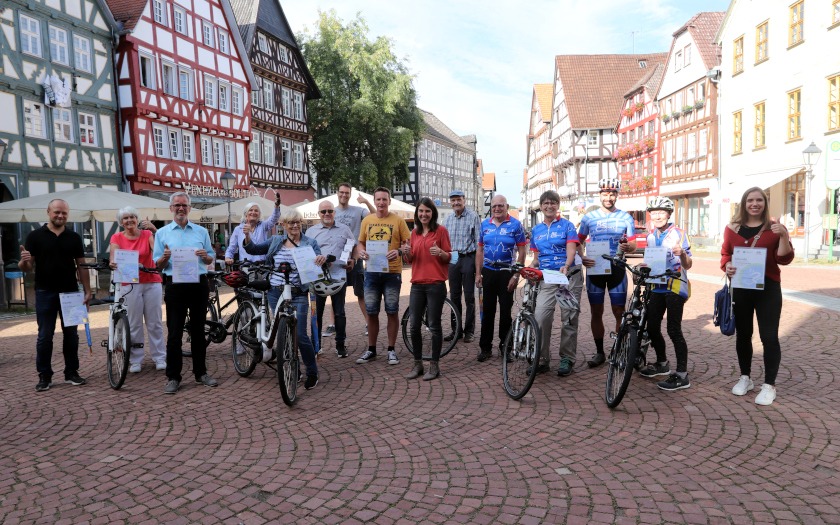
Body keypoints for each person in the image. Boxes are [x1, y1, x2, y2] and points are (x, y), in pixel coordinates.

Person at [721, 187, 793, 406]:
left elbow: (784, 258)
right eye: (750, 200)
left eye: (759, 200)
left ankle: (769, 385)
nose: (755, 204)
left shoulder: (774, 228)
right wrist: (728, 266)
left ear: (764, 203)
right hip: (742, 287)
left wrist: (783, 235)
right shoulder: (732, 228)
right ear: (744, 203)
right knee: (744, 334)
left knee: (769, 336)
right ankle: (745, 377)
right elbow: (725, 254)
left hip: (768, 288)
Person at [243, 209, 324, 390]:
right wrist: (247, 236)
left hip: (298, 292)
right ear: (283, 225)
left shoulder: (310, 242)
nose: (295, 226)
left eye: (297, 222)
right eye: (291, 223)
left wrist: (321, 259)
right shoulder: (276, 241)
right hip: (276, 291)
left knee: (301, 335)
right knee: (284, 332)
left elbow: (321, 262)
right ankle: (292, 368)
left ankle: (312, 372)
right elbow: (254, 249)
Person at [19, 199, 91, 392]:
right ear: (48, 212)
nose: (60, 216)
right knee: (44, 336)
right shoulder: (35, 236)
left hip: (70, 293)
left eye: (64, 213)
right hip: (45, 292)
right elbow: (27, 268)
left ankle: (71, 372)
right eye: (57, 212)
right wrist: (23, 261)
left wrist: (87, 290)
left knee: (72, 336)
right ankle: (44, 375)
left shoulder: (74, 237)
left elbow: (81, 265)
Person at [153, 192, 218, 394]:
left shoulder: (201, 232)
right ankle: (173, 377)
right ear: (171, 208)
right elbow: (158, 266)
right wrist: (164, 257)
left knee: (198, 331)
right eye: (177, 205)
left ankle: (201, 373)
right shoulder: (162, 233)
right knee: (174, 333)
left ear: (190, 208)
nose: (181, 208)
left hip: (198, 284)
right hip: (175, 285)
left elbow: (210, 260)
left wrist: (206, 257)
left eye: (184, 205)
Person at [637, 197, 693, 391]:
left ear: (669, 214)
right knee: (652, 327)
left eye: (661, 212)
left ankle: (682, 374)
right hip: (656, 286)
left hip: (675, 286)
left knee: (673, 329)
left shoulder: (678, 233)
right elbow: (651, 261)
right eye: (654, 213)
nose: (658, 216)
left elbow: (688, 265)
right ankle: (662, 363)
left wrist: (682, 254)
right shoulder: (651, 235)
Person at [579, 179, 636, 367]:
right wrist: (582, 258)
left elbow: (634, 243)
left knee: (619, 312)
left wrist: (629, 246)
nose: (608, 197)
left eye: (612, 194)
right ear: (600, 195)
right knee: (596, 311)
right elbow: (578, 241)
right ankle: (599, 352)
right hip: (595, 268)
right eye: (605, 194)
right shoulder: (589, 218)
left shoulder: (626, 217)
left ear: (617, 195)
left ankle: (619, 349)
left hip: (617, 268)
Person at [356, 187, 411, 365]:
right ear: (374, 201)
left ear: (389, 201)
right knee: (371, 313)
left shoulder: (398, 221)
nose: (381, 203)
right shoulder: (367, 220)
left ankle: (391, 349)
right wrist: (362, 252)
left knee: (392, 311)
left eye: (384, 200)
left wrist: (399, 252)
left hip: (392, 273)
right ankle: (371, 349)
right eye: (378, 199)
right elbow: (360, 243)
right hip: (371, 272)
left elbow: (407, 245)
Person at [530, 190, 582, 376]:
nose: (549, 206)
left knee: (568, 317)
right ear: (541, 206)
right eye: (545, 203)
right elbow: (536, 258)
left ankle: (567, 359)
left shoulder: (567, 226)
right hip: (548, 277)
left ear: (558, 205)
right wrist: (530, 267)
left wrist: (567, 265)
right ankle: (542, 359)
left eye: (553, 203)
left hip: (569, 276)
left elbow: (571, 248)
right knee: (541, 316)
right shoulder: (536, 230)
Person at [109, 206, 165, 373]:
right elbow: (114, 254)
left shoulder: (147, 234)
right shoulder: (117, 237)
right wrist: (113, 262)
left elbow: (157, 252)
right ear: (121, 222)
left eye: (132, 217)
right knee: (133, 323)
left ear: (137, 219)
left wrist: (159, 256)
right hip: (129, 283)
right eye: (125, 218)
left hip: (151, 280)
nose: (129, 220)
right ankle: (135, 359)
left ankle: (160, 357)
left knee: (154, 322)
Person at [402, 197, 452, 380]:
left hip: (435, 284)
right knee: (414, 326)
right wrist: (407, 253)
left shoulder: (441, 231)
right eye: (421, 211)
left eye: (427, 211)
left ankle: (434, 365)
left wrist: (441, 253)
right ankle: (418, 364)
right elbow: (410, 260)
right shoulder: (414, 233)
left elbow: (450, 257)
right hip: (417, 285)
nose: (424, 214)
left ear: (433, 213)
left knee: (434, 326)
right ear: (417, 213)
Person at [475, 194, 527, 362]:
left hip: (507, 273)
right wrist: (478, 273)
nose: (497, 208)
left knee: (505, 313)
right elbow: (480, 250)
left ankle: (506, 348)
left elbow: (522, 251)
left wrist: (516, 274)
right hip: (489, 271)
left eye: (501, 206)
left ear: (506, 206)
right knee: (488, 312)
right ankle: (485, 348)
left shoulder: (516, 225)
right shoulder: (485, 225)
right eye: (494, 206)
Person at [306, 200, 357, 358]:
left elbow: (351, 246)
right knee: (316, 313)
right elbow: (305, 252)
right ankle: (316, 345)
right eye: (323, 212)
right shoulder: (311, 232)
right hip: (317, 278)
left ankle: (340, 345)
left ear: (334, 212)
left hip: (338, 276)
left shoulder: (344, 229)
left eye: (329, 211)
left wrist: (352, 260)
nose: (327, 214)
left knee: (340, 312)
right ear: (319, 214)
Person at [333, 183, 374, 337]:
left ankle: (369, 323)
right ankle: (332, 324)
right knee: (335, 291)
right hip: (337, 258)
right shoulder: (332, 211)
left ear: (350, 194)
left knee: (360, 292)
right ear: (337, 193)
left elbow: (375, 215)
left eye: (347, 193)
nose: (344, 195)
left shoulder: (358, 210)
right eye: (341, 192)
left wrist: (366, 202)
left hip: (355, 256)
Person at [442, 189, 481, 343]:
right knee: (454, 296)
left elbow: (479, 243)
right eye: (453, 200)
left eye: (458, 199)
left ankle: (469, 331)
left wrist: (479, 268)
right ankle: (456, 330)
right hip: (453, 258)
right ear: (450, 202)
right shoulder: (448, 219)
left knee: (469, 296)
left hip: (468, 257)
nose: (456, 203)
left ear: (464, 200)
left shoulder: (473, 217)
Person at [224, 195, 282, 265]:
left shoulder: (263, 226)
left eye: (256, 211)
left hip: (261, 265)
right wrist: (228, 257)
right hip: (245, 265)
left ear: (259, 214)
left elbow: (274, 219)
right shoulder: (238, 229)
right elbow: (232, 247)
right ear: (246, 214)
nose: (253, 212)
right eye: (250, 210)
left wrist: (276, 206)